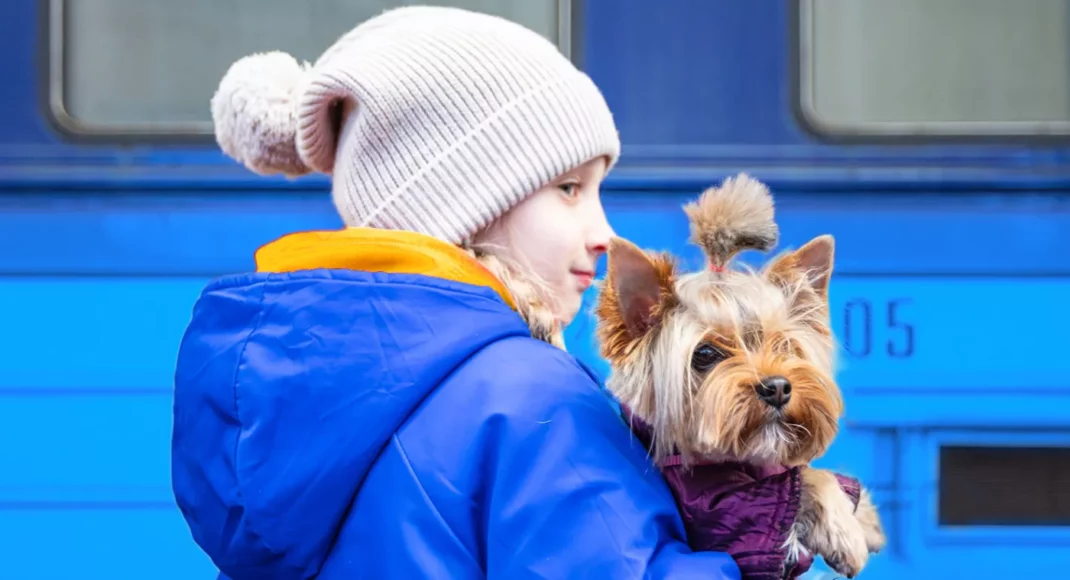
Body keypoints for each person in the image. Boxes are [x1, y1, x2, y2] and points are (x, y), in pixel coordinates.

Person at [171, 6, 741, 579]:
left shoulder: (275, 394)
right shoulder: (530, 397)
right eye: (569, 188)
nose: (605, 234)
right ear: (462, 208)